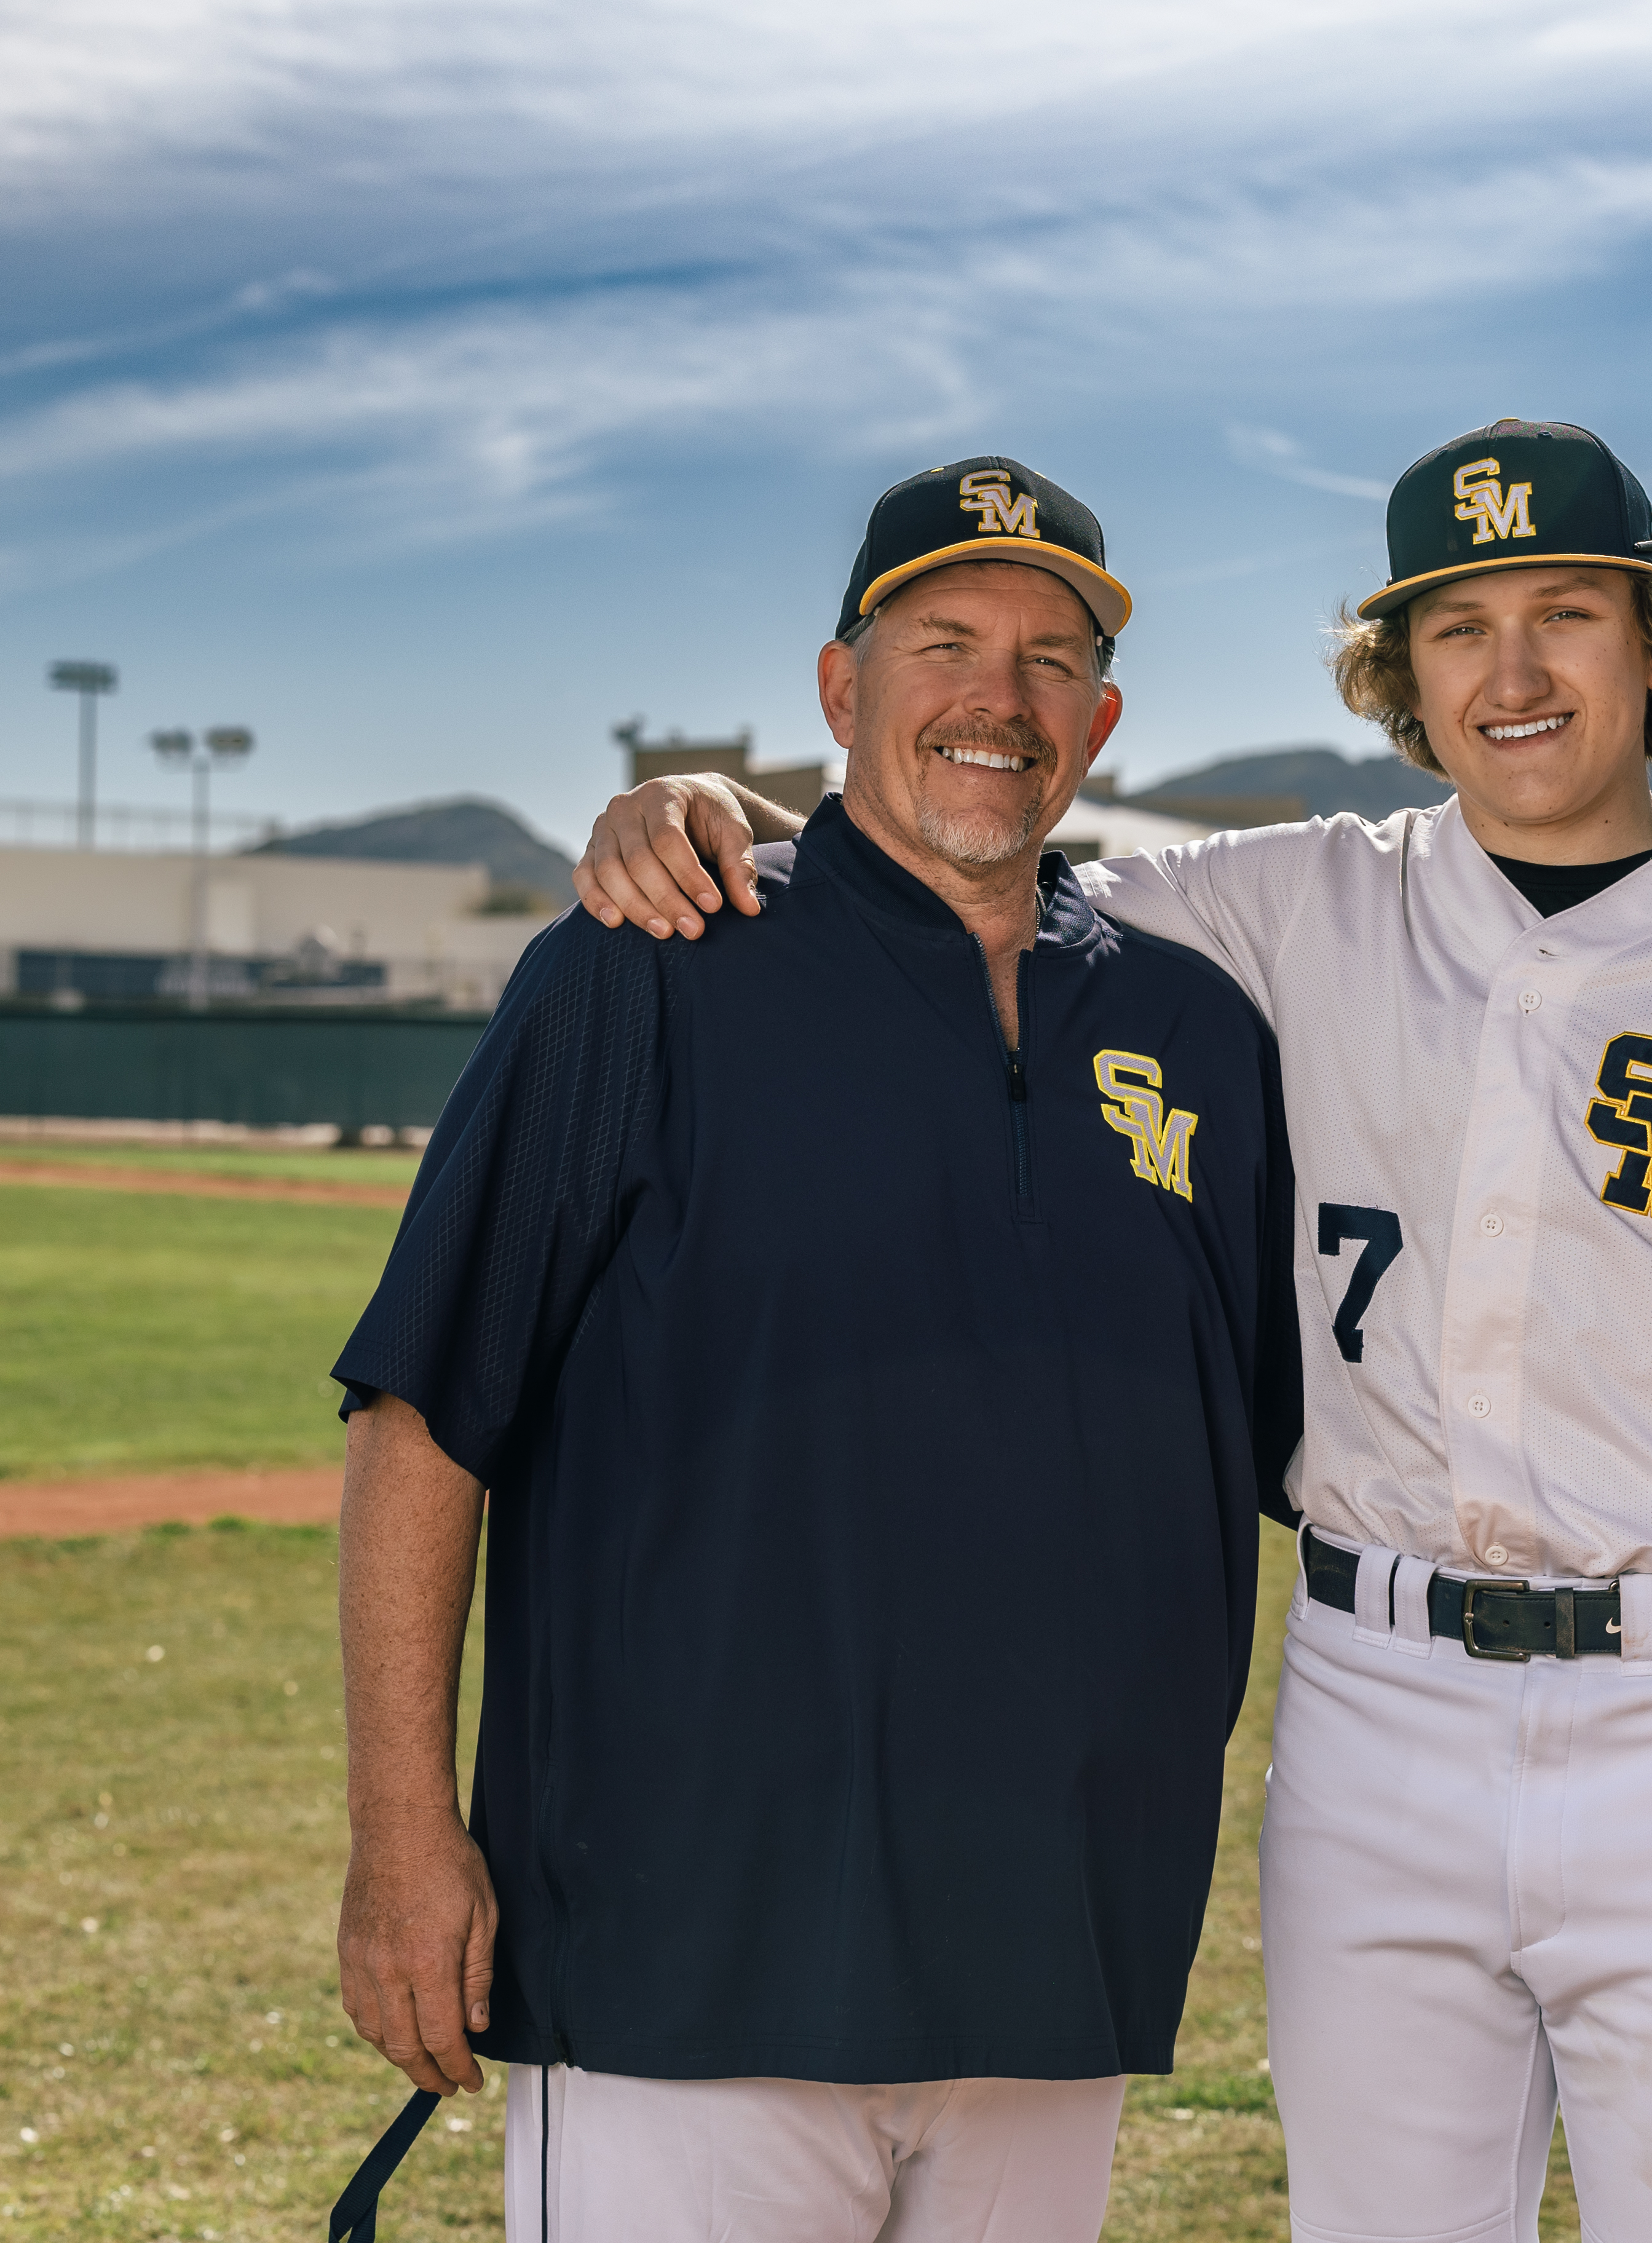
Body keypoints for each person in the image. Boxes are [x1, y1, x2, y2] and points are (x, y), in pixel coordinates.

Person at [575, 418, 1652, 2243]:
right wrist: (712, 814)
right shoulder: (1289, 900)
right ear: (1399, 674)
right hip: (1374, 1707)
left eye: (1567, 613)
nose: (1512, 672)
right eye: (1455, 627)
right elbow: (950, 859)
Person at [333, 454, 1298, 2243]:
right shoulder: (651, 963)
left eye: (1044, 656)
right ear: (843, 689)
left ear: (1100, 716)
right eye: (943, 642)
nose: (994, 699)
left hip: (1046, 1957)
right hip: (684, 1953)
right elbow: (424, 1418)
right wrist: (406, 1834)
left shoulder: (1197, 1031)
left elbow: (1268, 1447)